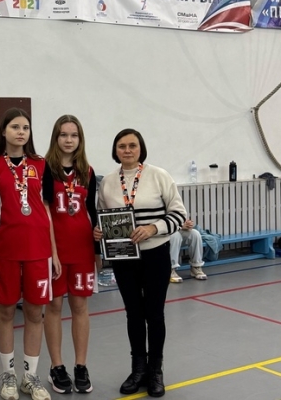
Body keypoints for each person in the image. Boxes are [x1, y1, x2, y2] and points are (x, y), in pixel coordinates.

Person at [95, 128, 185, 398]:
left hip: (156, 254)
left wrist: (153, 228)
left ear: (141, 148)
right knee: (133, 314)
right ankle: (138, 369)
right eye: (122, 146)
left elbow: (179, 214)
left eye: (132, 145)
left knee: (154, 314)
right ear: (115, 150)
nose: (127, 150)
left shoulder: (159, 175)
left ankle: (155, 370)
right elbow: (102, 216)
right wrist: (98, 231)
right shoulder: (108, 182)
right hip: (124, 258)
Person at [0, 108, 60, 400]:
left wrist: (53, 252)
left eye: (26, 128)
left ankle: (30, 378)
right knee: (5, 312)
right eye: (15, 127)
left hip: (38, 251)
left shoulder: (42, 165)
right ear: (3, 131)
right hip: (4, 251)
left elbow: (47, 210)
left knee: (34, 313)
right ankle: (8, 375)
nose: (21, 132)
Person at [42, 115, 98, 394]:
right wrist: (51, 252)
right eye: (63, 134)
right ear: (56, 137)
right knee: (53, 307)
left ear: (80, 139)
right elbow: (44, 212)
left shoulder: (87, 171)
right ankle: (57, 366)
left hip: (82, 249)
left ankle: (80, 365)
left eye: (73, 135)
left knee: (80, 307)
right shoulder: (45, 169)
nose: (68, 140)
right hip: (55, 251)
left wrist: (99, 247)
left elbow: (93, 211)